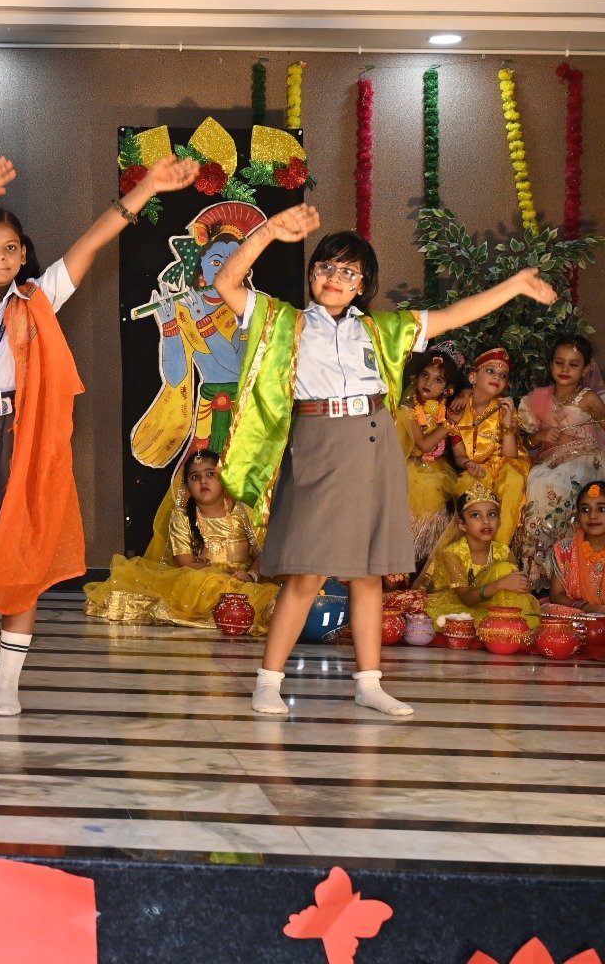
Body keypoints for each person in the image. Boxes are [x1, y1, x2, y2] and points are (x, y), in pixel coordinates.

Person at [0, 153, 201, 716]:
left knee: (24, 558)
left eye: (10, 248)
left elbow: (93, 240)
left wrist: (147, 187)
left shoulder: (41, 297)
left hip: (24, 441)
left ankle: (6, 685)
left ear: (23, 254)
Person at [216, 208, 557, 717]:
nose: (334, 277)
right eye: (326, 266)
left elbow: (453, 314)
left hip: (375, 444)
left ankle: (369, 683)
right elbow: (225, 282)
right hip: (318, 442)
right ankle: (268, 681)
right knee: (307, 572)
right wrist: (268, 232)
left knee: (369, 573)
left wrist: (514, 286)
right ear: (311, 274)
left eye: (348, 271)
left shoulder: (383, 329)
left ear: (363, 285)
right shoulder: (282, 321)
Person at [84, 448, 279, 633]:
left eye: (211, 474)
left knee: (272, 602)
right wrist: (220, 577)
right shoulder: (182, 516)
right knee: (201, 586)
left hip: (243, 581)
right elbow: (186, 561)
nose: (203, 481)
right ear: (187, 486)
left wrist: (250, 576)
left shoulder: (243, 511)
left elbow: (264, 553)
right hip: (202, 582)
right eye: (195, 477)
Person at [516, 335, 605, 589]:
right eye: (559, 362)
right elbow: (527, 442)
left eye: (574, 364)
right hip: (550, 460)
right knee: (535, 479)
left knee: (566, 480)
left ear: (585, 369)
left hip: (584, 457)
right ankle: (537, 568)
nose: (565, 369)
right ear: (551, 364)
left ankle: (569, 567)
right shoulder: (538, 398)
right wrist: (541, 435)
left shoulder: (588, 398)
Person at [415, 487, 539, 629]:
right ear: (462, 525)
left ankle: (505, 625)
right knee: (504, 570)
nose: (486, 521)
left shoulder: (503, 551)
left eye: (491, 514)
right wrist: (501, 584)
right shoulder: (452, 553)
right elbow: (467, 599)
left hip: (490, 608)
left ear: (499, 521)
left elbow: (512, 590)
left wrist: (520, 584)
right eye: (475, 515)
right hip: (459, 608)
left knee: (506, 569)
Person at [447, 347, 529, 548]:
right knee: (468, 485)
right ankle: (471, 551)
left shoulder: (504, 408)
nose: (497, 378)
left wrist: (508, 421)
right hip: (475, 467)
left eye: (503, 375)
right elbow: (459, 453)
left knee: (513, 478)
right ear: (473, 377)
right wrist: (468, 464)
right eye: (490, 371)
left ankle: (500, 549)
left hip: (506, 464)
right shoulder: (458, 407)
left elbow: (510, 456)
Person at [394, 349, 464, 566]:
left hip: (438, 470)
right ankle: (402, 569)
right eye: (425, 375)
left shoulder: (443, 407)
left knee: (436, 526)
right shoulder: (408, 409)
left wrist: (465, 393)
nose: (428, 383)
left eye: (438, 380)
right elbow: (424, 445)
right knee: (411, 524)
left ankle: (425, 570)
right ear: (415, 377)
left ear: (447, 388)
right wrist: (449, 424)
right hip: (413, 471)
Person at [543, 480, 605, 613]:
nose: (592, 516)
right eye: (585, 510)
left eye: (602, 509)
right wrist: (586, 608)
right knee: (551, 609)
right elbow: (556, 596)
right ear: (577, 516)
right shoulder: (565, 549)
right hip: (577, 614)